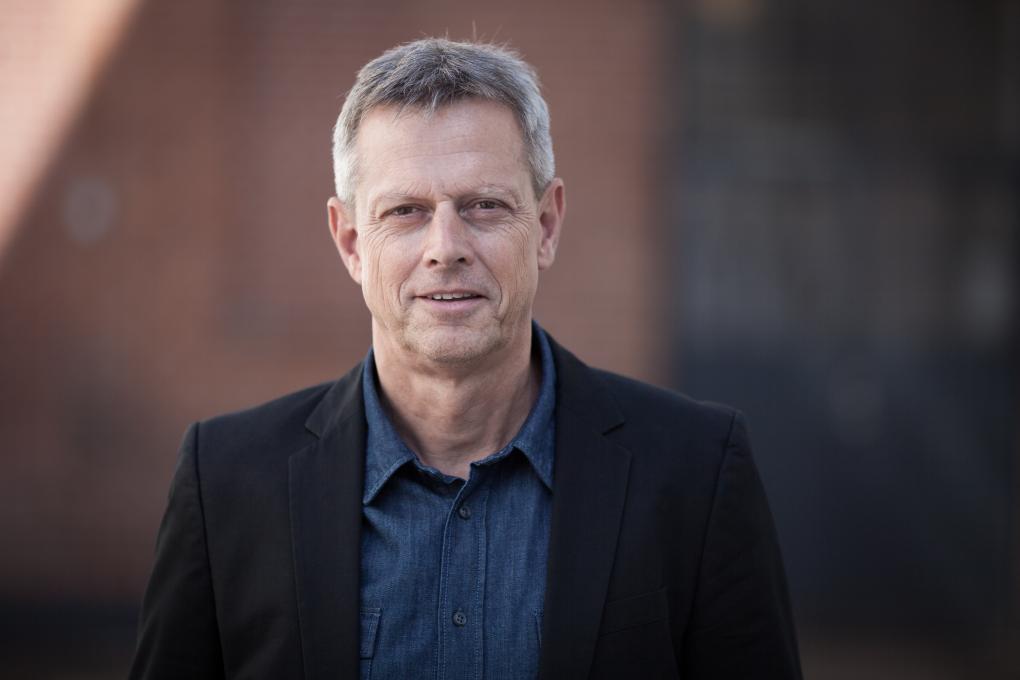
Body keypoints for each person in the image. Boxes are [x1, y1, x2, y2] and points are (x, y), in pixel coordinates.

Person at [130, 38, 802, 680]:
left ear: (546, 226)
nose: (445, 247)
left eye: (484, 205)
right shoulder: (225, 485)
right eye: (406, 211)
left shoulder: (696, 472)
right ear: (350, 242)